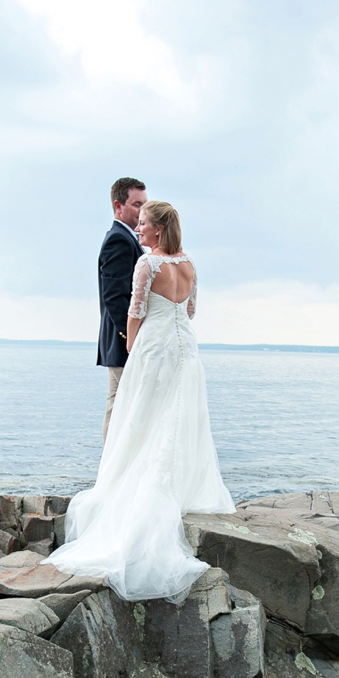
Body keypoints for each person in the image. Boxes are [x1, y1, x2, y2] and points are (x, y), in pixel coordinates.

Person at [45, 200, 235, 602]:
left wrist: (134, 344)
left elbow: (135, 312)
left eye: (145, 224)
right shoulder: (189, 265)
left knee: (142, 419)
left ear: (159, 230)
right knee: (178, 420)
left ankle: (139, 497)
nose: (140, 230)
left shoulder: (148, 265)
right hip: (186, 351)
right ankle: (179, 488)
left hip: (154, 349)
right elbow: (192, 310)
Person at [97, 177, 147, 441]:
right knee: (121, 404)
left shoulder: (129, 239)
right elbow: (115, 297)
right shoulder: (118, 240)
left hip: (122, 339)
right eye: (137, 205)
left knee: (119, 404)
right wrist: (131, 338)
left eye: (145, 205)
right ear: (118, 206)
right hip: (122, 340)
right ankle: (112, 469)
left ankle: (113, 469)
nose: (143, 212)